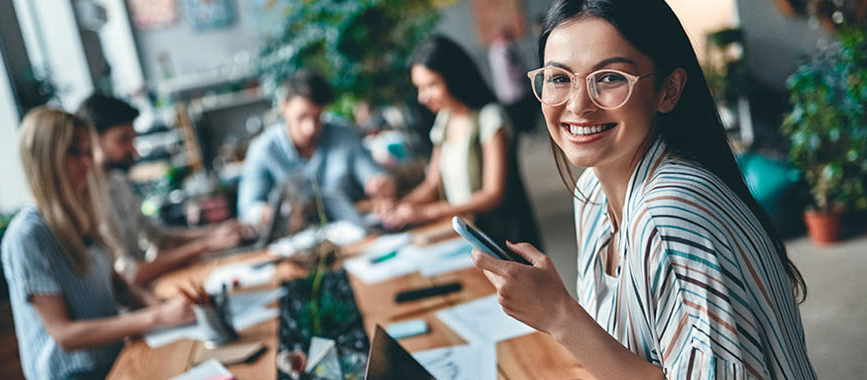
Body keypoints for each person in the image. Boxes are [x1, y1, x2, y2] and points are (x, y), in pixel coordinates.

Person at [470, 1, 816, 379]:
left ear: (669, 90)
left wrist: (559, 316)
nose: (578, 105)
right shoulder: (592, 194)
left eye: (610, 78)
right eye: (559, 78)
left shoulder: (671, 211)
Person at [1, 108, 200, 379]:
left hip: (112, 359)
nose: (86, 162)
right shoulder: (28, 235)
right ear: (45, 159)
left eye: (86, 152)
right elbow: (64, 334)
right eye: (73, 152)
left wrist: (158, 305)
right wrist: (158, 317)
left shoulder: (81, 215)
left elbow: (118, 285)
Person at [385, 35, 542, 247]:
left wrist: (429, 212)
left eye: (431, 85)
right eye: (419, 88)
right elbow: (432, 183)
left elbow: (493, 193)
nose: (423, 97)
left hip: (502, 239)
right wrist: (400, 207)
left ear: (454, 77)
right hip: (467, 236)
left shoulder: (490, 118)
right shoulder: (445, 119)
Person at [75, 94, 245, 286]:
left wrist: (217, 232)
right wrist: (205, 245)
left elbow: (159, 237)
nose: (133, 150)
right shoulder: (86, 199)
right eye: (123, 139)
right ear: (92, 139)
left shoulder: (118, 181)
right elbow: (130, 274)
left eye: (133, 138)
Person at [238, 69, 395, 226]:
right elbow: (247, 208)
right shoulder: (263, 149)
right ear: (284, 107)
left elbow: (371, 174)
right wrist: (267, 214)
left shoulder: (343, 134)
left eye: (317, 118)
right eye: (302, 117)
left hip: (350, 232)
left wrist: (379, 183)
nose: (310, 128)